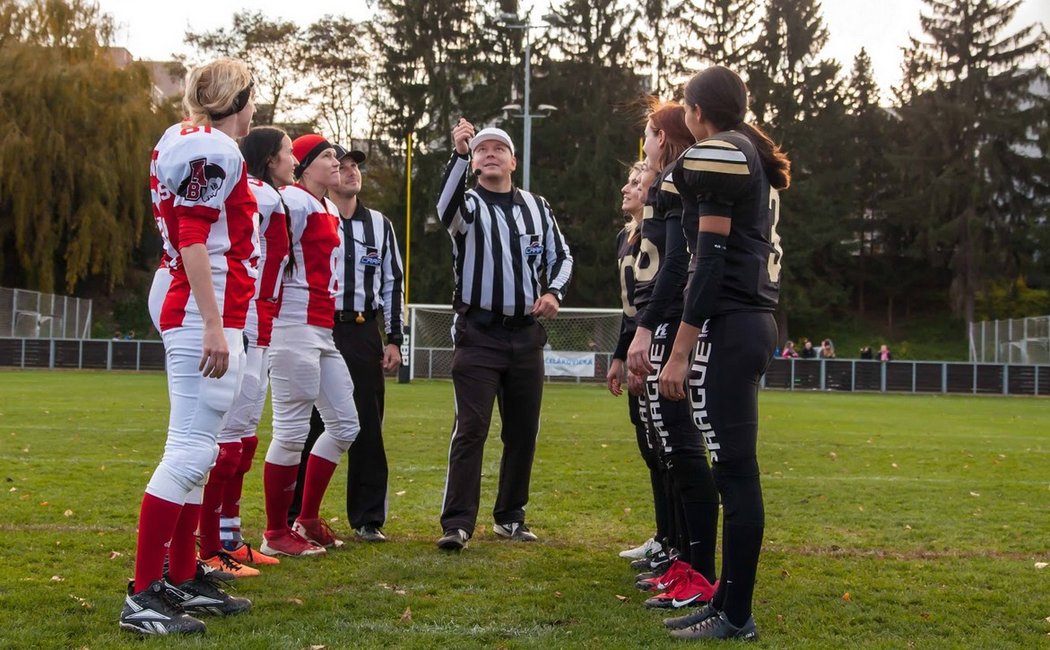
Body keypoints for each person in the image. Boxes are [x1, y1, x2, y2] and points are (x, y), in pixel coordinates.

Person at [120, 57, 257, 636]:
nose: (256, 106)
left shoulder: (190, 139)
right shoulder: (213, 149)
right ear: (235, 100)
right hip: (204, 305)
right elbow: (193, 237)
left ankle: (178, 574)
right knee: (190, 451)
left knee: (199, 451)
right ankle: (145, 592)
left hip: (205, 301)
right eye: (251, 95)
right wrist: (211, 322)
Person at [657, 65, 791, 641]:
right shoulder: (743, 149)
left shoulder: (721, 154)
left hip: (734, 325)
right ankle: (727, 602)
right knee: (731, 471)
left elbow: (707, 262)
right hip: (747, 323)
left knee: (735, 474)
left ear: (696, 110)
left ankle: (735, 614)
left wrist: (681, 349)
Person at [434, 120, 573, 550]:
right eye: (481, 149)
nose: (489, 153)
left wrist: (553, 291)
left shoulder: (537, 206)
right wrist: (457, 154)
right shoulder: (469, 206)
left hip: (525, 335)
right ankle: (457, 523)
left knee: (522, 429)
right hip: (479, 332)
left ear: (513, 160)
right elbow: (445, 210)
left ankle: (510, 515)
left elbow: (562, 255)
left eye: (499, 148)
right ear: (473, 162)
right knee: (471, 428)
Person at [626, 100, 719, 610]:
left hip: (679, 327)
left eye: (647, 133)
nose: (644, 143)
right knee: (670, 447)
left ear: (663, 137)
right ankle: (683, 556)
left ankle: (696, 565)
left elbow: (676, 268)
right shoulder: (673, 183)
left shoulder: (678, 181)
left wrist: (648, 329)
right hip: (671, 325)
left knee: (684, 448)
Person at [288, 144, 405, 543]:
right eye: (343, 165)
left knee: (366, 423)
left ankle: (368, 517)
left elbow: (393, 284)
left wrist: (394, 339)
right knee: (309, 422)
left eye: (356, 166)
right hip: (317, 323)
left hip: (360, 330)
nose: (351, 171)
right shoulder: (310, 214)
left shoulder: (380, 225)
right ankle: (298, 514)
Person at [259, 134, 361, 557]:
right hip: (293, 324)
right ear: (301, 165)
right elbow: (273, 257)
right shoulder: (292, 201)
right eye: (326, 156)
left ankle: (306, 517)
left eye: (336, 155)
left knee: (345, 425)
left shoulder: (329, 208)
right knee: (291, 430)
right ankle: (275, 531)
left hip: (322, 327)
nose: (335, 161)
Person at [198, 126, 293, 576]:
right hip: (246, 316)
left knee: (244, 440)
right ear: (270, 160)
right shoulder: (261, 194)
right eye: (288, 153)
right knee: (225, 443)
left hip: (262, 321)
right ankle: (209, 544)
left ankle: (229, 536)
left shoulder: (271, 195)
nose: (293, 161)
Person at [609, 161, 665, 561]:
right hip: (635, 346)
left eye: (635, 182)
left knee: (666, 448)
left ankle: (673, 540)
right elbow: (630, 309)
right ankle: (664, 535)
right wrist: (617, 354)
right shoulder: (624, 238)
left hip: (657, 347)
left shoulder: (661, 233)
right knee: (649, 447)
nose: (626, 189)